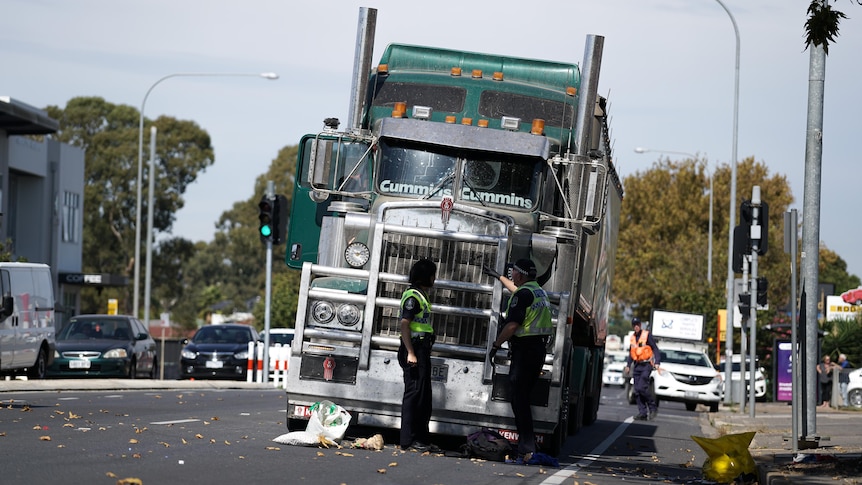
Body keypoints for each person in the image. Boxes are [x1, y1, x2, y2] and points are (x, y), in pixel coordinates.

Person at [485, 259, 553, 463]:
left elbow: (512, 326)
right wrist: (499, 277)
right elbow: (516, 289)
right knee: (523, 398)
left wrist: (496, 345)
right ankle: (527, 445)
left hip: (525, 352)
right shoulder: (536, 291)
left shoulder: (523, 295)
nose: (512, 274)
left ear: (521, 275)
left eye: (513, 272)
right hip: (537, 351)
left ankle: (527, 446)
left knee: (519, 399)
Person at [398, 258, 440, 453]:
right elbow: (405, 324)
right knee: (414, 395)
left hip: (422, 349)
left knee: (423, 396)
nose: (434, 278)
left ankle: (421, 438)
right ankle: (408, 439)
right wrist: (411, 353)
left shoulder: (421, 295)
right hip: (414, 349)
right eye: (432, 274)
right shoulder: (413, 296)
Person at [624, 317, 661, 421]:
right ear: (632, 326)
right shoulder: (632, 338)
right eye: (634, 325)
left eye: (638, 324)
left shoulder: (646, 335)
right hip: (637, 366)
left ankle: (653, 407)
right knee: (636, 391)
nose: (636, 326)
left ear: (640, 325)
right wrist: (628, 365)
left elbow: (655, 349)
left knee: (641, 388)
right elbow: (631, 354)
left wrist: (657, 362)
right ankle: (642, 413)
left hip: (646, 365)